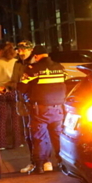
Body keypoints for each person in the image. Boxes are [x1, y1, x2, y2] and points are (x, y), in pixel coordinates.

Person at [19, 45, 67, 174]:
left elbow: (22, 88)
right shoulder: (60, 67)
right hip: (58, 107)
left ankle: (40, 165)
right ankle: (62, 162)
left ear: (36, 56)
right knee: (57, 134)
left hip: (40, 107)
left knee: (40, 136)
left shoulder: (33, 69)